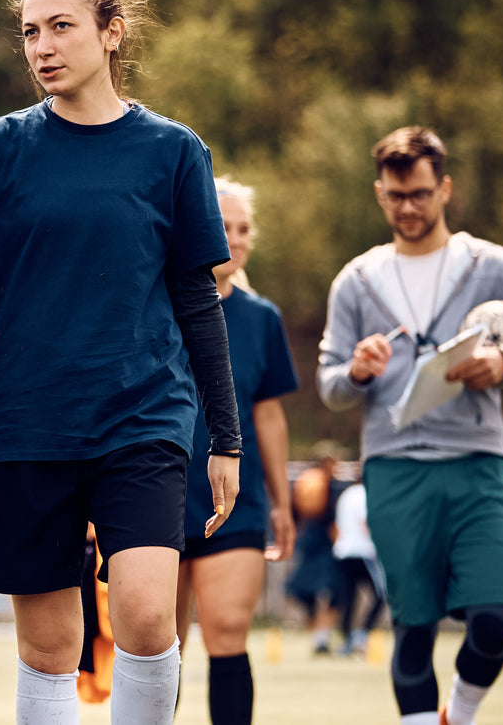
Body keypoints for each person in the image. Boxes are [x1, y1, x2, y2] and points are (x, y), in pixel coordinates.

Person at [0, 0, 242, 725]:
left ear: (111, 32)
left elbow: (197, 300)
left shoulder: (172, 151)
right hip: (25, 423)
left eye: (61, 26)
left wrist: (224, 436)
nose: (42, 45)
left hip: (142, 417)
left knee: (146, 618)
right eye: (29, 31)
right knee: (48, 646)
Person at [317, 125, 503, 725]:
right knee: (413, 627)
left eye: (420, 194)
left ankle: (461, 713)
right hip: (394, 471)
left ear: (445, 189)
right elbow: (330, 384)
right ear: (380, 193)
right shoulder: (357, 280)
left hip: (477, 463)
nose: (408, 208)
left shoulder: (489, 265)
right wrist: (357, 372)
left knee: (495, 621)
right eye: (396, 196)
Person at [174, 177, 297, 724]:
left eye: (244, 229)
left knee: (227, 630)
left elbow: (268, 417)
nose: (237, 239)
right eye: (224, 226)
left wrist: (281, 502)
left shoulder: (261, 318)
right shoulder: (157, 307)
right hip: (157, 493)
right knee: (159, 643)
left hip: (235, 504)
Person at [285, 441, 344, 656]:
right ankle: (321, 634)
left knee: (302, 589)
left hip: (307, 541)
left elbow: (294, 512)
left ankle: (318, 632)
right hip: (326, 544)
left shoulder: (304, 480)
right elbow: (333, 517)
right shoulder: (330, 483)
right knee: (335, 591)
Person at [331, 470, 386, 657]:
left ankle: (347, 640)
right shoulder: (365, 495)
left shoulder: (346, 495)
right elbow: (366, 524)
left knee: (348, 599)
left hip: (343, 551)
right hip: (364, 552)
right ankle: (361, 635)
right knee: (381, 594)